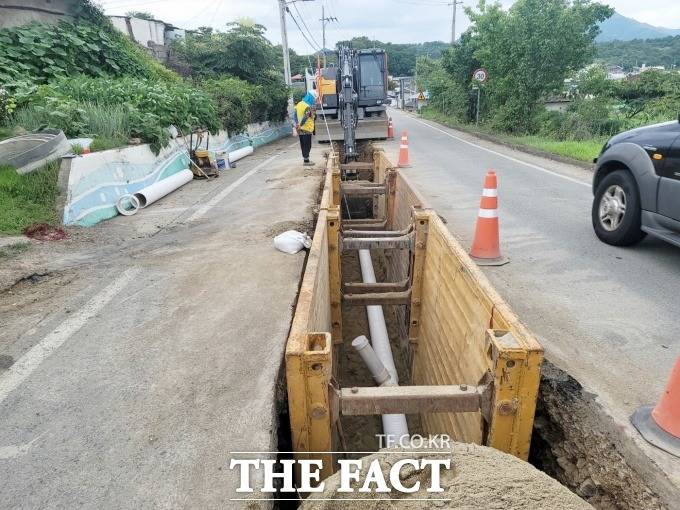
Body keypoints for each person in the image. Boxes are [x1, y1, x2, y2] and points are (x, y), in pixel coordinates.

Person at [293, 90, 317, 166]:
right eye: (313, 99)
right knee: (307, 145)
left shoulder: (299, 104)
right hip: (306, 129)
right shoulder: (307, 106)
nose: (314, 101)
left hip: (300, 129)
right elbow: (306, 117)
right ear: (310, 97)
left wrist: (297, 124)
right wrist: (300, 124)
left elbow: (295, 115)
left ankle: (305, 159)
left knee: (303, 144)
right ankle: (306, 161)